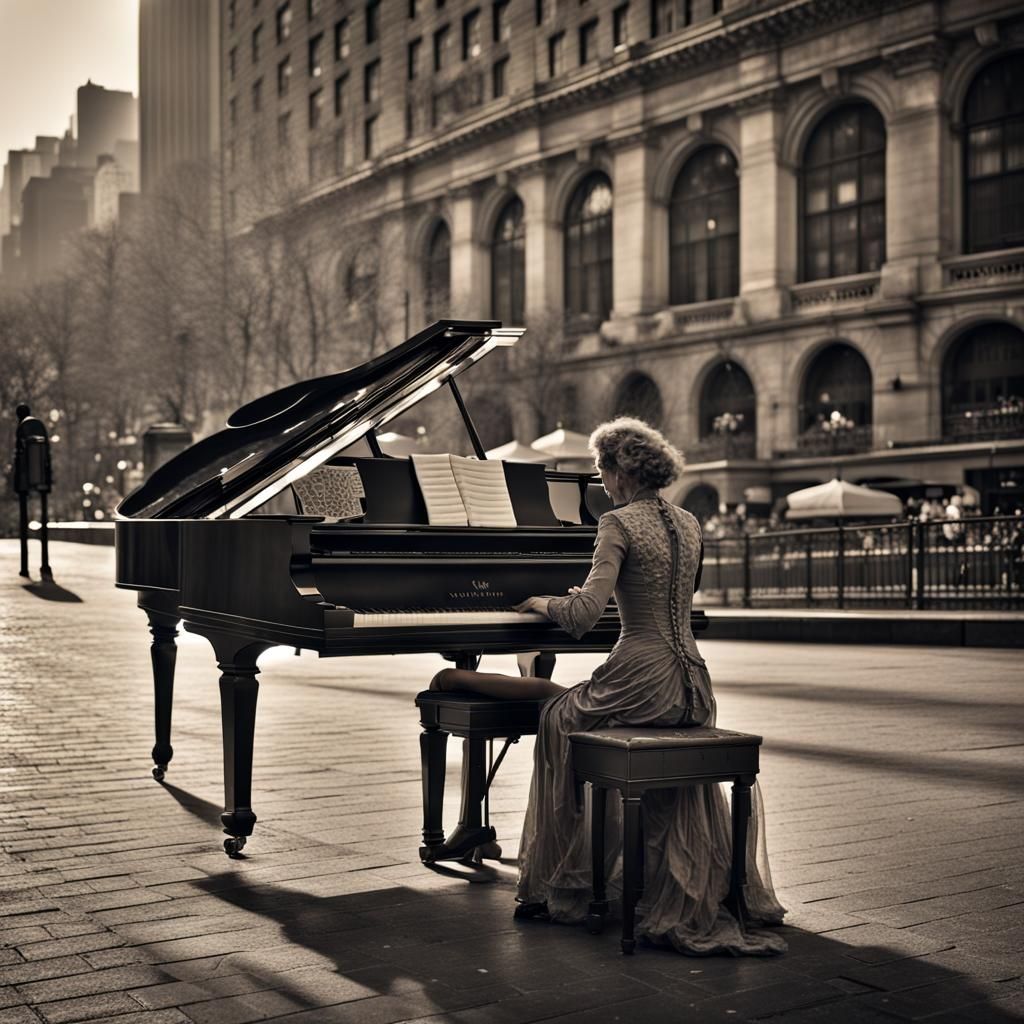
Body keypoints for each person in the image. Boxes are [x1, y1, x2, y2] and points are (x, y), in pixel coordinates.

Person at [431, 417, 786, 956]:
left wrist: (543, 602)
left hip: (640, 674)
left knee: (559, 719)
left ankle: (568, 878)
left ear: (622, 471)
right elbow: (675, 595)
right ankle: (654, 876)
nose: (600, 480)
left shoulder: (617, 523)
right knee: (571, 703)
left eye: (602, 469)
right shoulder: (689, 522)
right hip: (691, 678)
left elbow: (582, 616)